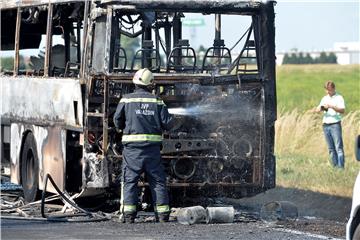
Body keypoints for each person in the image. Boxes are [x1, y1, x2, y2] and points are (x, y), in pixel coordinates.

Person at [113, 68, 174, 223]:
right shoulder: (157, 101)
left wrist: (123, 128)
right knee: (158, 180)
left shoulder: (126, 100)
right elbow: (168, 124)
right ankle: (162, 215)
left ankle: (128, 216)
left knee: (130, 181)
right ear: (150, 84)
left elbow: (117, 120)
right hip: (152, 150)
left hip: (132, 150)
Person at [314, 80, 345, 169]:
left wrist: (332, 107)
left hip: (335, 124)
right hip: (326, 125)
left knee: (339, 147)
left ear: (334, 88)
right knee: (331, 148)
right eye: (327, 90)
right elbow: (317, 110)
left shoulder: (339, 98)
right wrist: (323, 108)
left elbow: (342, 110)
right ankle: (335, 166)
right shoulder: (324, 98)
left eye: (330, 90)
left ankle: (341, 167)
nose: (328, 92)